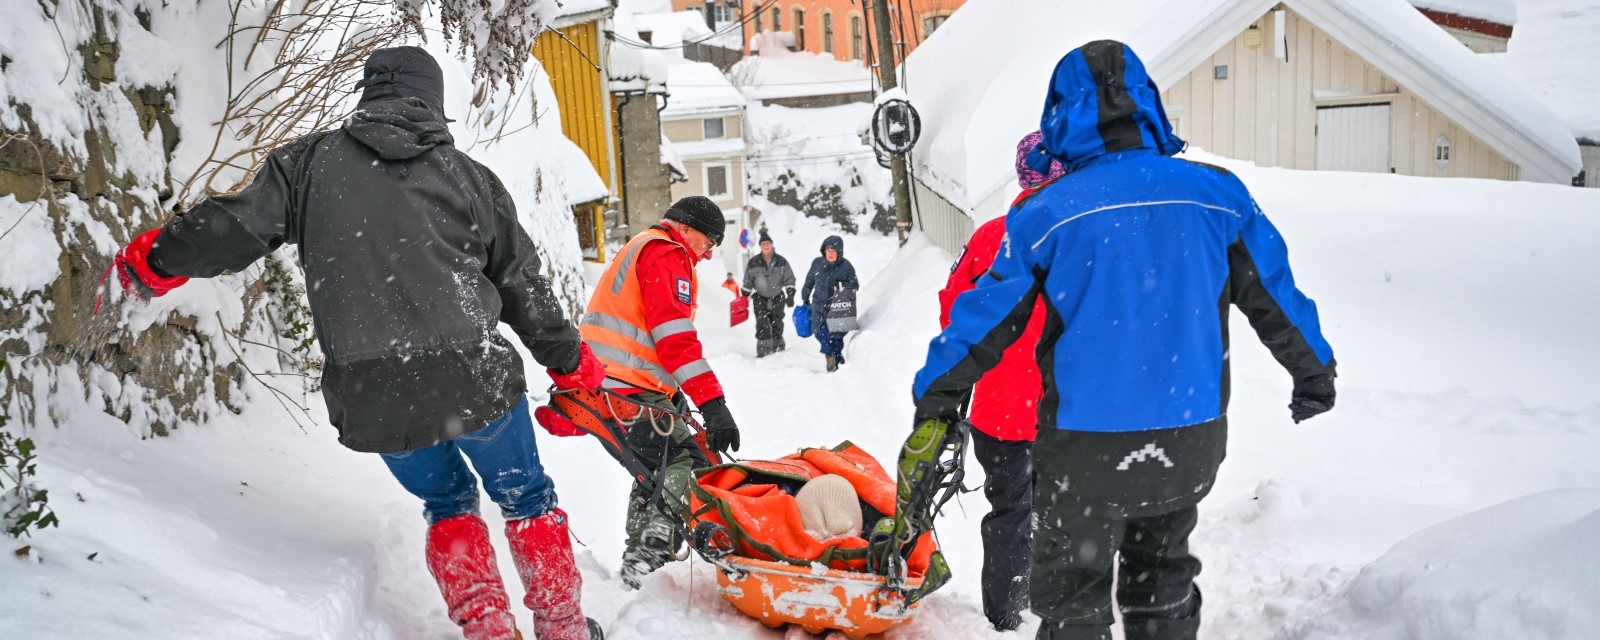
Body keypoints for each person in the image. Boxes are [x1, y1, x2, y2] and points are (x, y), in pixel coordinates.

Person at [105, 47, 605, 640]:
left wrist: (159, 259)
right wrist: (571, 364)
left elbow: (235, 225)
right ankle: (564, 628)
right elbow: (522, 284)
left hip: (374, 392)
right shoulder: (470, 179)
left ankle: (489, 630)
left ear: (368, 96)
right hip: (475, 378)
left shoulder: (308, 166)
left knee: (448, 505)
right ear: (435, 104)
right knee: (525, 496)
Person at [912, 41, 1336, 640]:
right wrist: (1314, 372)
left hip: (1086, 447)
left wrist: (936, 393)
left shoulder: (1046, 215)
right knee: (1162, 579)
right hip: (1187, 436)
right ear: (1149, 105)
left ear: (1059, 116)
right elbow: (1276, 294)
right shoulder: (1216, 194)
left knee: (1075, 595)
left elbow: (980, 320)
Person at [568, 195, 742, 589]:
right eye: (708, 243)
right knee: (685, 458)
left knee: (656, 466)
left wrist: (675, 396)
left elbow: (642, 334)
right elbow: (674, 338)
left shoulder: (643, 247)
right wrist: (713, 405)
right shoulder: (667, 253)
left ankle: (640, 556)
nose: (709, 255)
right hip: (625, 384)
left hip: (609, 382)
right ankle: (650, 554)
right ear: (685, 228)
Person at [935, 130, 1066, 632]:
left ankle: (1006, 616)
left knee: (1011, 511)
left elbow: (953, 312)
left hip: (1001, 411)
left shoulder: (991, 237)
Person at [800, 236, 858, 372]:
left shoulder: (846, 266)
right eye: (828, 250)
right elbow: (809, 282)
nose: (830, 253)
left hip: (838, 308)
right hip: (819, 307)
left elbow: (854, 284)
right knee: (820, 333)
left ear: (839, 252)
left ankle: (838, 360)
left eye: (834, 250)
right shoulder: (817, 264)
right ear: (824, 251)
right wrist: (805, 297)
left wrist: (843, 286)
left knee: (837, 338)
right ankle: (829, 355)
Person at [741, 230, 797, 357]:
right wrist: (744, 295)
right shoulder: (753, 262)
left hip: (777, 297)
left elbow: (789, 278)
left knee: (777, 323)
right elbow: (748, 281)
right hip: (760, 298)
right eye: (763, 244)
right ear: (760, 246)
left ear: (772, 244)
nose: (765, 245)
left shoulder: (781, 262)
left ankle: (778, 351)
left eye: (768, 243)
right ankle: (763, 352)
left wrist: (790, 294)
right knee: (762, 324)